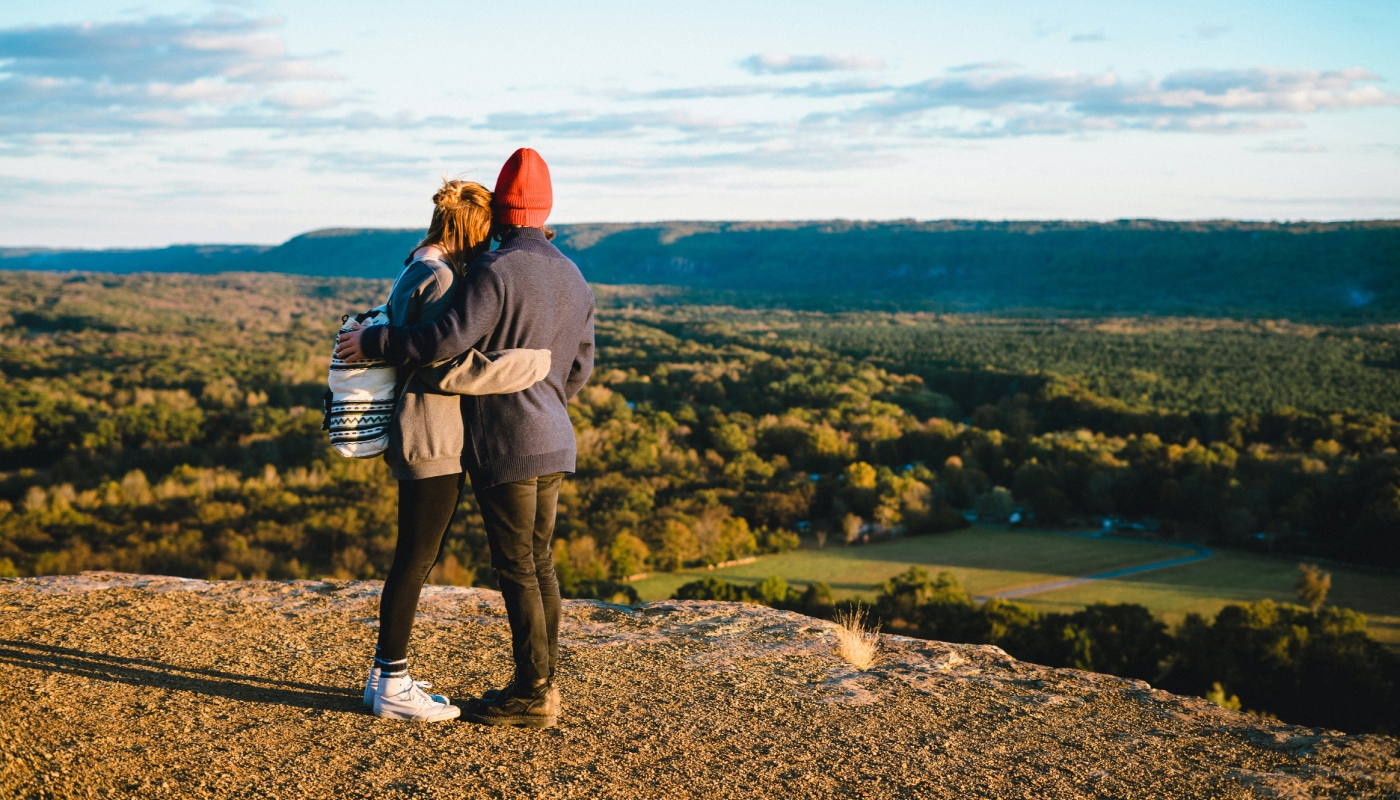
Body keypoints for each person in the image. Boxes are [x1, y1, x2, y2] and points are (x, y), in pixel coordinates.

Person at [336, 148, 595, 729]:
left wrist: (376, 343)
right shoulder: (574, 274)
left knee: (518, 569)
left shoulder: (495, 271)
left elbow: (440, 343)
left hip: (506, 439)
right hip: (555, 434)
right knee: (541, 565)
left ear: (503, 209)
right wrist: (547, 397)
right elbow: (579, 367)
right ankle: (541, 685)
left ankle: (531, 695)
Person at [362, 179, 495, 723]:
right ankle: (391, 681)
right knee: (415, 559)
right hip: (431, 434)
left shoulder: (415, 265)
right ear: (468, 229)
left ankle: (383, 679)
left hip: (413, 429)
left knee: (413, 556)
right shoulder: (441, 278)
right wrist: (526, 367)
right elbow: (443, 359)